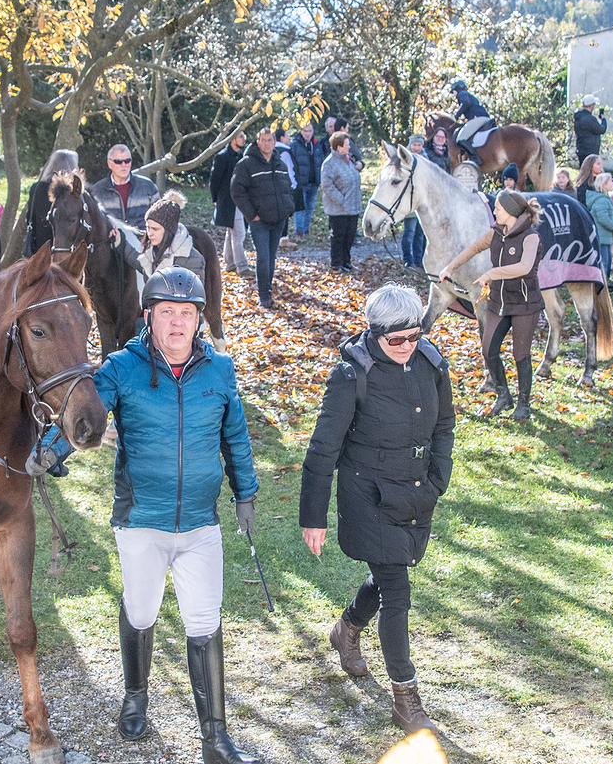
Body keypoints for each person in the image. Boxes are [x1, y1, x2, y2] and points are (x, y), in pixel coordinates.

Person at [93, 267, 261, 764]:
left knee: (204, 622)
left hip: (200, 524)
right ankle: (135, 695)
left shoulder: (220, 370)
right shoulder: (121, 367)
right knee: (142, 611)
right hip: (141, 520)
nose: (176, 323)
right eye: (166, 312)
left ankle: (215, 740)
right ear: (149, 316)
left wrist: (245, 493)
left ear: (198, 319)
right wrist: (53, 449)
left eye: (186, 313)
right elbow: (84, 413)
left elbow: (236, 436)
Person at [299, 284, 455, 736]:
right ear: (374, 332)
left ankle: (346, 628)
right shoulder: (352, 375)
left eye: (414, 336)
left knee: (390, 572)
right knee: (397, 590)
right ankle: (406, 700)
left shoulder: (430, 362)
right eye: (396, 339)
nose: (407, 346)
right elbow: (323, 448)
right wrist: (313, 516)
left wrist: (438, 477)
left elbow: (444, 424)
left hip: (414, 491)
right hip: (366, 495)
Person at [439, 190, 545, 419]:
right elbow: (473, 249)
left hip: (524, 303)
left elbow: (525, 267)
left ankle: (523, 404)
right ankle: (503, 396)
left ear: (511, 211)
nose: (494, 211)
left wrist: (491, 273)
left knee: (520, 354)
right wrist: (450, 268)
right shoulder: (496, 233)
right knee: (488, 349)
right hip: (498, 302)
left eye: (498, 208)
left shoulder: (531, 237)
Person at [230, 128, 294, 309]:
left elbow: (287, 187)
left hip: (278, 219)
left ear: (274, 142)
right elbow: (236, 191)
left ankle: (268, 291)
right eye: (263, 140)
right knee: (263, 258)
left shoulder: (279, 163)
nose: (267, 144)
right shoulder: (246, 164)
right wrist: (252, 215)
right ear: (258, 142)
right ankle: (264, 296)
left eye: (270, 140)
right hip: (259, 222)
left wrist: (288, 208)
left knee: (271, 257)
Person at [111, 191, 206, 284]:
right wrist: (120, 242)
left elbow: (195, 293)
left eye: (155, 229)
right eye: (148, 228)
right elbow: (142, 264)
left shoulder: (192, 259)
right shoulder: (152, 250)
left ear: (169, 230)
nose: (149, 233)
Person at [22, 148, 80, 257]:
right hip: (65, 248)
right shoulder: (73, 191)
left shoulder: (37, 188)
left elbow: (30, 217)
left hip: (40, 248)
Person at [209, 132, 251, 276]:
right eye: (240, 136)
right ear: (232, 139)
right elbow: (214, 180)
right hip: (228, 201)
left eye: (244, 136)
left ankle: (231, 263)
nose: (244, 139)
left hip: (239, 200)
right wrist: (216, 199)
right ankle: (242, 267)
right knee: (239, 233)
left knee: (231, 232)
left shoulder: (241, 156)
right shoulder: (222, 157)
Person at [320, 131, 362, 274]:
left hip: (353, 206)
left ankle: (346, 262)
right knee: (338, 237)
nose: (349, 147)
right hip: (338, 209)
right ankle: (336, 264)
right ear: (338, 147)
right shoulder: (329, 164)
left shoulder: (349, 160)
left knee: (350, 236)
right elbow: (327, 186)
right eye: (346, 145)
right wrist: (341, 200)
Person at [91, 144, 159, 228]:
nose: (124, 165)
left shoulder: (148, 186)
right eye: (118, 161)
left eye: (127, 161)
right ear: (109, 163)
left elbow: (159, 218)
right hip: (111, 235)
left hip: (143, 235)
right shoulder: (97, 191)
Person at [586, 172, 613, 287]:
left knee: (608, 260)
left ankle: (605, 283)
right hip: (601, 237)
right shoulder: (601, 200)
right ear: (604, 184)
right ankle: (601, 285)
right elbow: (603, 218)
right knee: (604, 261)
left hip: (606, 237)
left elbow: (611, 217)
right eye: (610, 181)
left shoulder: (606, 198)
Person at [290, 123, 324, 239]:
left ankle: (306, 230)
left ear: (313, 131)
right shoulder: (295, 145)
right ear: (301, 131)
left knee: (309, 208)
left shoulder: (316, 145)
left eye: (309, 131)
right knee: (300, 208)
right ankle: (299, 232)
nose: (307, 134)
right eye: (305, 131)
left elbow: (320, 162)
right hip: (301, 183)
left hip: (313, 182)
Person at [450, 80, 493, 164]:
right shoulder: (469, 95)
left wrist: (456, 115)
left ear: (457, 89)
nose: (454, 95)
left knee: (460, 138)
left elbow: (465, 103)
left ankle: (475, 157)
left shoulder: (461, 94)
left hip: (477, 118)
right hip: (484, 117)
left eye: (453, 92)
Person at [401, 135, 428, 268]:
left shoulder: (425, 159)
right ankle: (408, 259)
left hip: (421, 201)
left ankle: (419, 259)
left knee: (420, 233)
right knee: (409, 232)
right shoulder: (405, 160)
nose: (417, 148)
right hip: (410, 201)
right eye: (414, 145)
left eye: (419, 145)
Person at [273, 127, 300, 249]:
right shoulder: (284, 152)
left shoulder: (273, 150)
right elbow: (289, 170)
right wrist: (293, 185)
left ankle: (279, 238)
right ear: (282, 137)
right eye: (287, 135)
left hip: (274, 187)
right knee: (284, 214)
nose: (289, 138)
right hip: (285, 187)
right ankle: (282, 239)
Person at [573, 94, 607, 164]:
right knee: (590, 170)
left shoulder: (578, 117)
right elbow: (602, 130)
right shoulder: (590, 119)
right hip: (590, 152)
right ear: (591, 105)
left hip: (581, 150)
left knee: (583, 169)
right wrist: (603, 120)